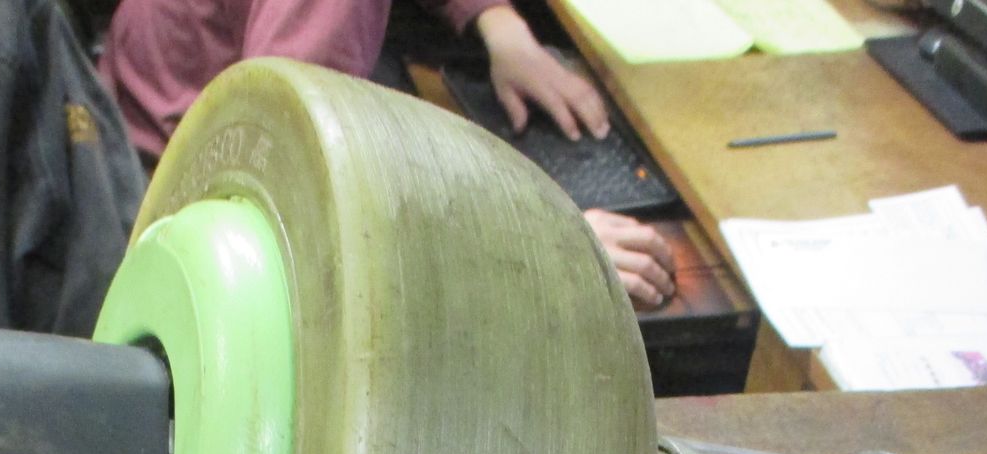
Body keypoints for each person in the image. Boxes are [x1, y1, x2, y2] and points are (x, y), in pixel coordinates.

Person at [99, 0, 677, 307]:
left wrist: (497, 22)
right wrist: (540, 245)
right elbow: (297, 191)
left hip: (136, 119)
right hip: (190, 218)